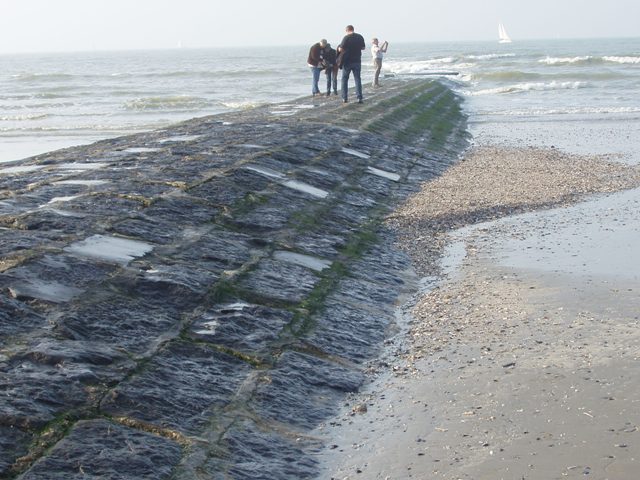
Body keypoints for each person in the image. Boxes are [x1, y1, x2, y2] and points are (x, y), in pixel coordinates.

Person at [337, 25, 366, 103]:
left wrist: (339, 47)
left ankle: (345, 98)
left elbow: (341, 49)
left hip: (347, 62)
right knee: (357, 79)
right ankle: (359, 97)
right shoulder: (360, 37)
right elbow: (363, 48)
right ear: (353, 29)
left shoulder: (346, 38)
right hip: (357, 61)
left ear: (346, 30)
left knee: (344, 79)